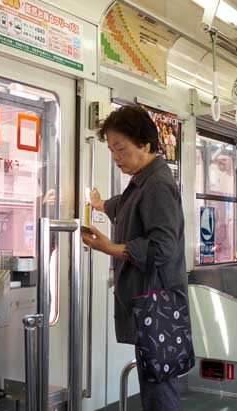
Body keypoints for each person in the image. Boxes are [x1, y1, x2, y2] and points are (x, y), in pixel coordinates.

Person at [82, 105, 187, 411]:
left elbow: (164, 246)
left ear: (144, 144)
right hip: (148, 302)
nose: (116, 157)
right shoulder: (143, 181)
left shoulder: (157, 185)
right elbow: (126, 207)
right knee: (154, 382)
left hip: (157, 302)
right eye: (112, 150)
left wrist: (110, 248)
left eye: (121, 149)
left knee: (159, 388)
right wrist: (100, 205)